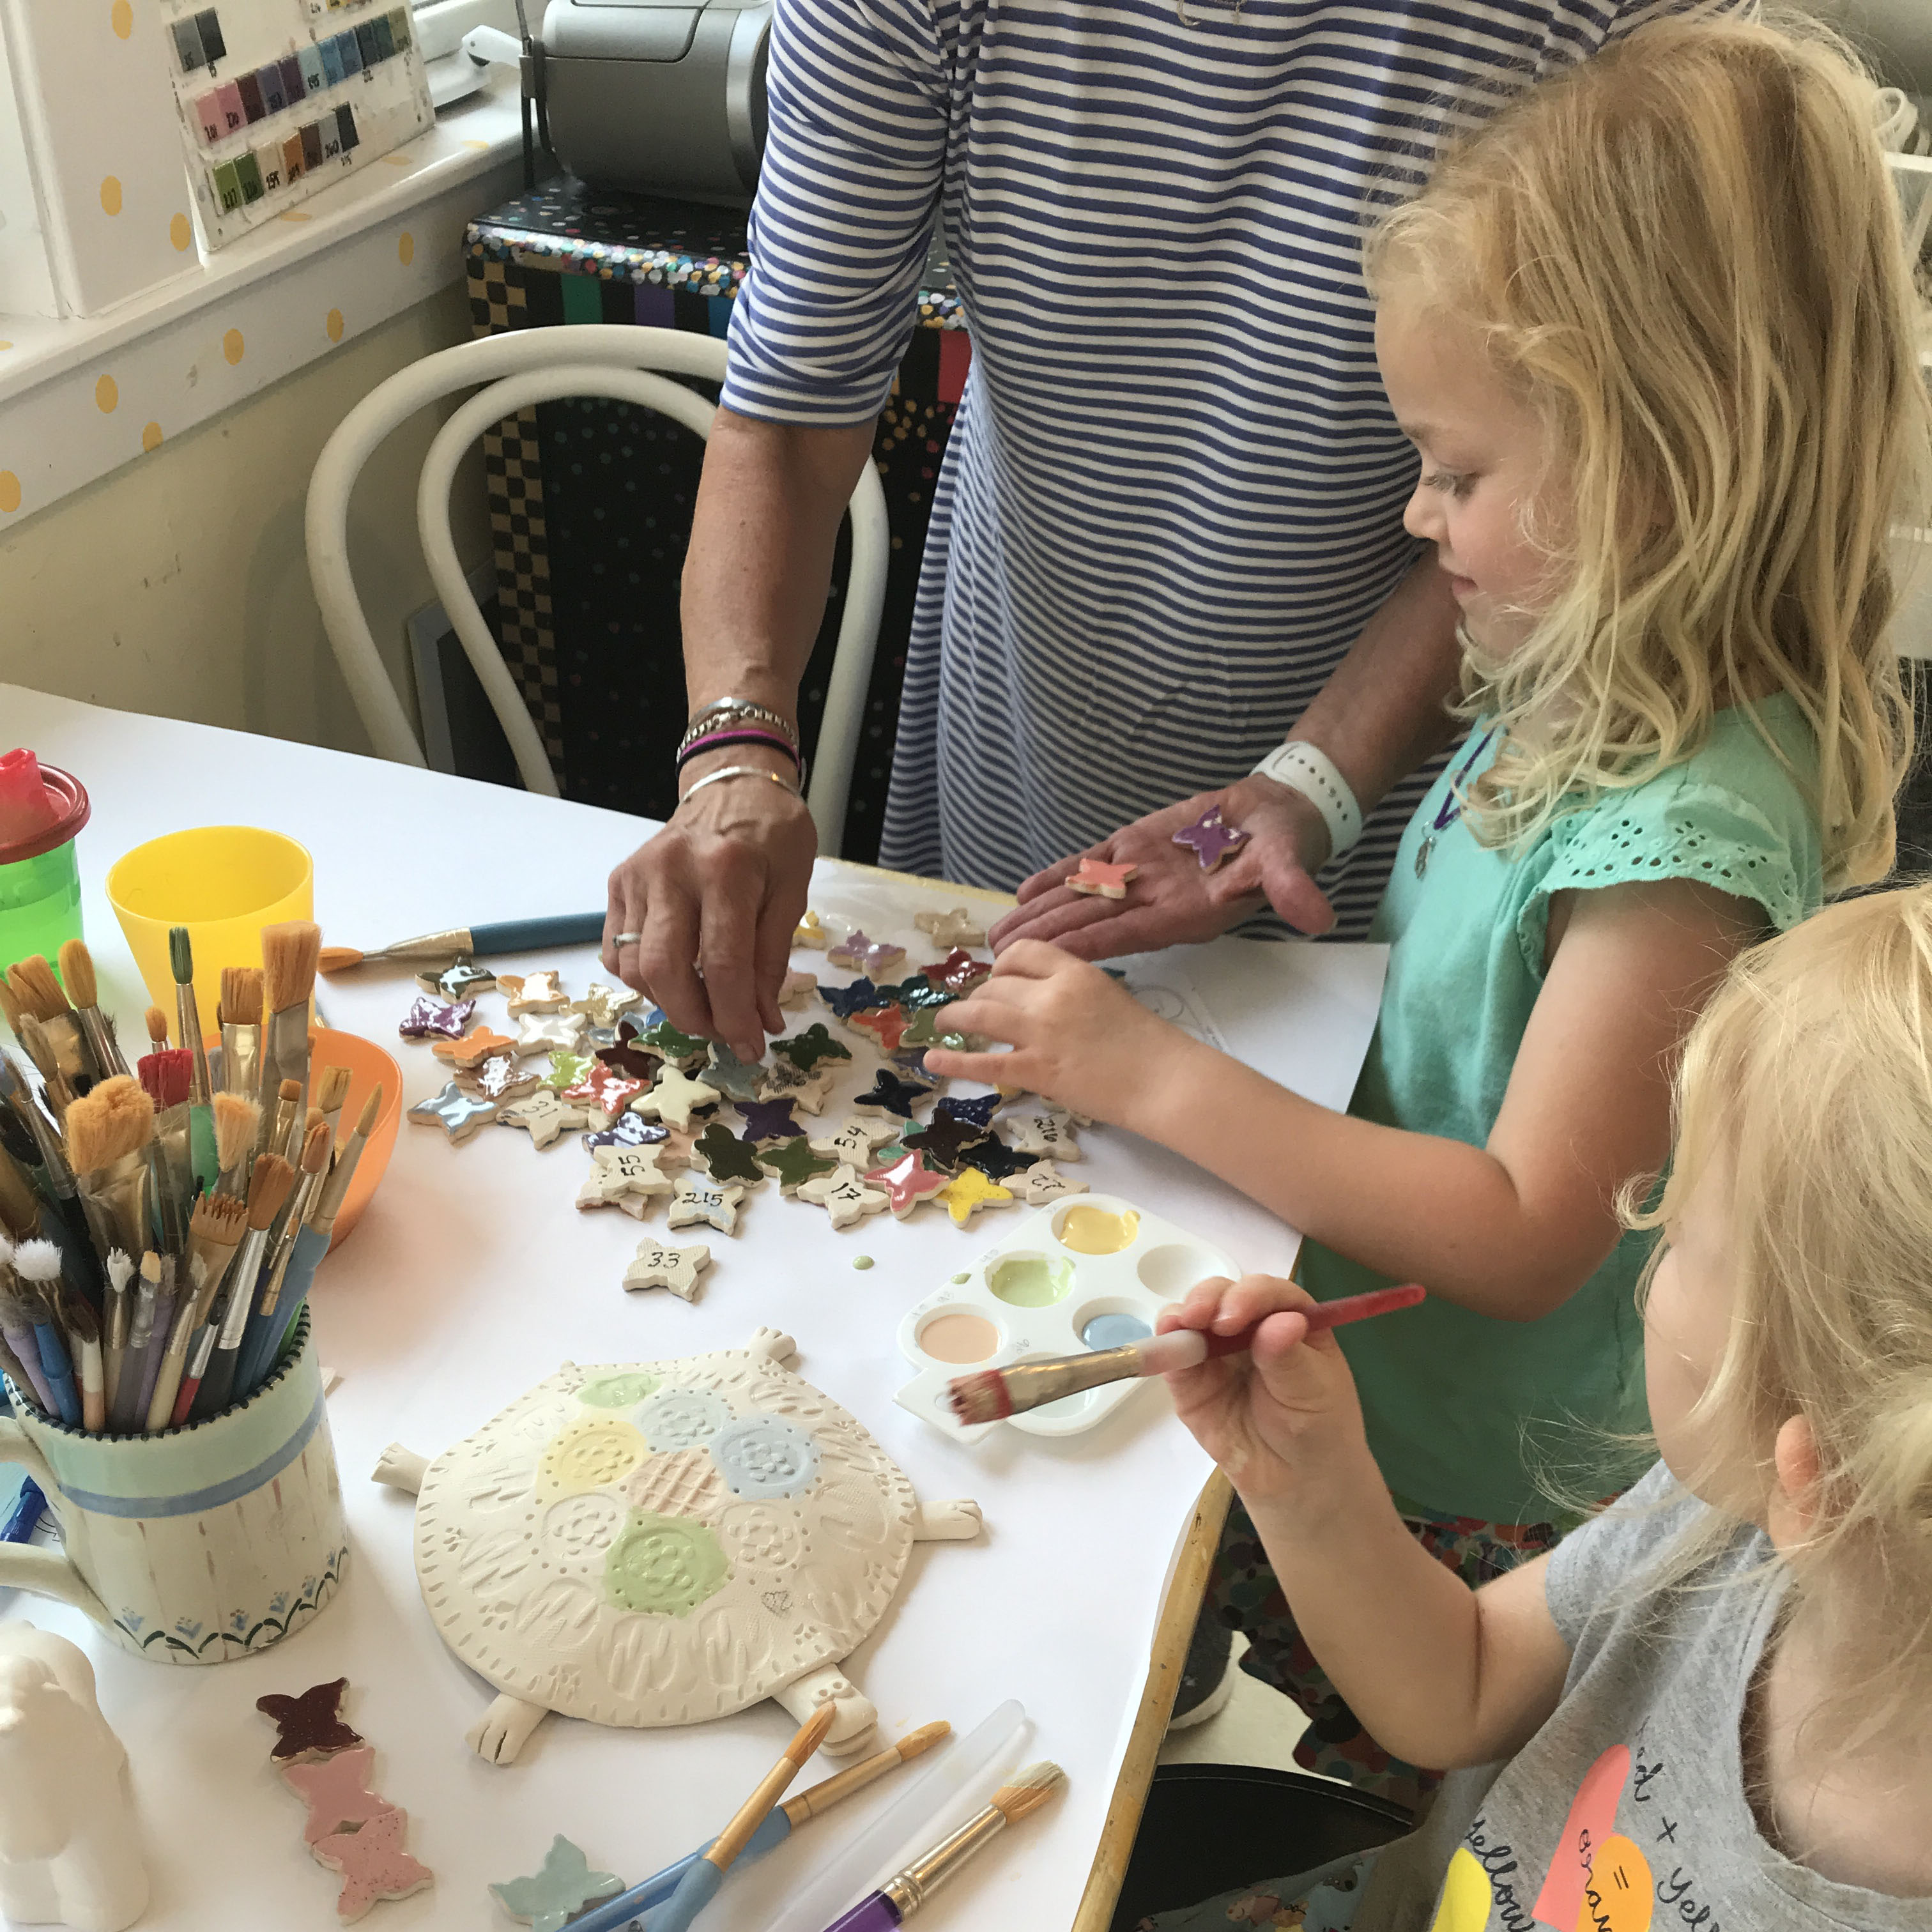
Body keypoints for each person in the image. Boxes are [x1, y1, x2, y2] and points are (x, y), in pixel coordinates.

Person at [925, 13, 1932, 1809]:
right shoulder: (1581, 662)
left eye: (1458, 473)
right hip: (1372, 1390)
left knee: (1303, 1782)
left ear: (1656, 462)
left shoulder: (1690, 823)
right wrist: (1264, 842)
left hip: (1477, 1493)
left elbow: (1528, 1227)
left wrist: (1152, 1078)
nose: (1415, 510)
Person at [601, 0, 1733, 1066]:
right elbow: (791, 415)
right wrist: (736, 753)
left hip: (1398, 817)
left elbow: (1573, 492)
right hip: (1019, 731)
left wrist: (1316, 783)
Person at [1135, 882, 1932, 1929]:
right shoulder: (1720, 1529)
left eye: (1679, 1231)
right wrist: (1309, 1484)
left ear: (1818, 1478)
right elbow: (1458, 1685)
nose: (1645, 1255)